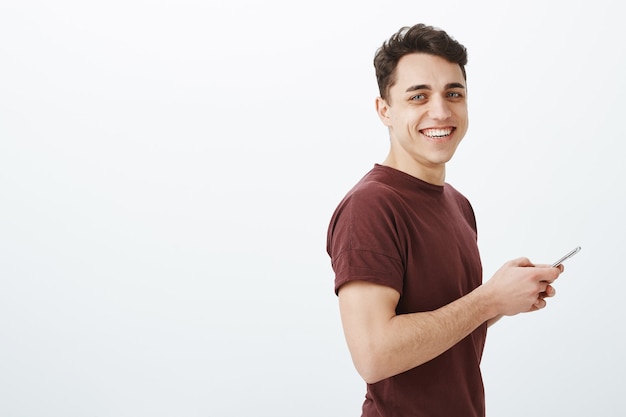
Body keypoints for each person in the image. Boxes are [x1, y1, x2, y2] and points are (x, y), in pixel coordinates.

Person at [326, 23, 563, 417]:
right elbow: (374, 356)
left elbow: (443, 328)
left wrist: (502, 300)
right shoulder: (370, 207)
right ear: (385, 110)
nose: (440, 111)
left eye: (454, 93)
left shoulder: (457, 204)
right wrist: (487, 299)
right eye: (418, 96)